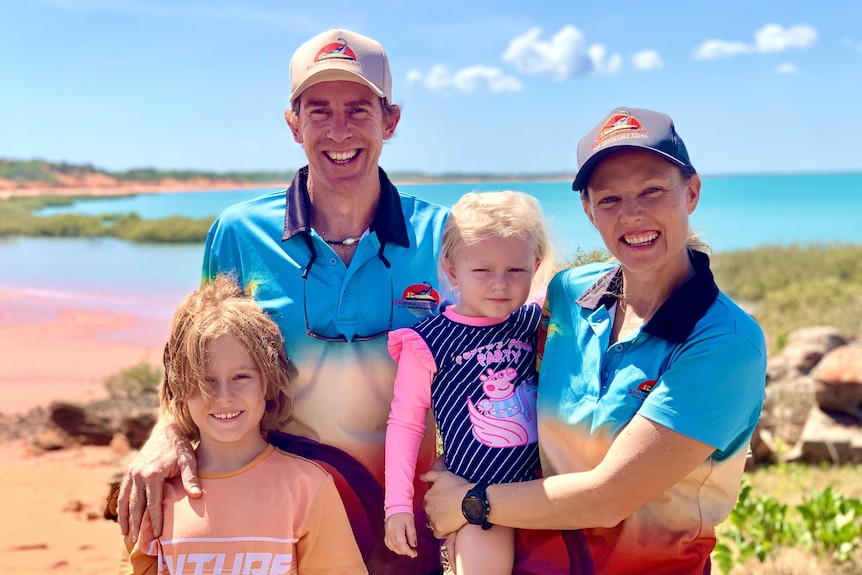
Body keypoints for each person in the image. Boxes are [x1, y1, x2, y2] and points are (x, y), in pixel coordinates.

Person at [117, 29, 449, 575]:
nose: (339, 129)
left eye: (358, 109)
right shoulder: (238, 233)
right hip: (276, 523)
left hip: (406, 526)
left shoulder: (443, 237)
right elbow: (191, 363)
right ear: (293, 124)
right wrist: (165, 435)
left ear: (390, 121)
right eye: (318, 111)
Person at [422, 106, 768, 575]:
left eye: (652, 191)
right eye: (609, 200)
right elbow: (485, 365)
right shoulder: (566, 296)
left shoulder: (725, 343)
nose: (632, 214)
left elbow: (609, 499)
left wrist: (472, 503)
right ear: (588, 211)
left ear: (692, 192)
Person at [122, 274, 367, 575]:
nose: (223, 397)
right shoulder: (160, 491)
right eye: (205, 380)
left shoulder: (307, 486)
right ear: (179, 388)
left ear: (270, 382)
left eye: (242, 377)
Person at [383, 191, 554, 574]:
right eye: (482, 271)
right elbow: (406, 422)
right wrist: (396, 505)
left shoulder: (534, 320)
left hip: (539, 493)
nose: (500, 284)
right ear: (451, 267)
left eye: (516, 271)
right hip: (473, 496)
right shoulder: (427, 342)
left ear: (536, 265)